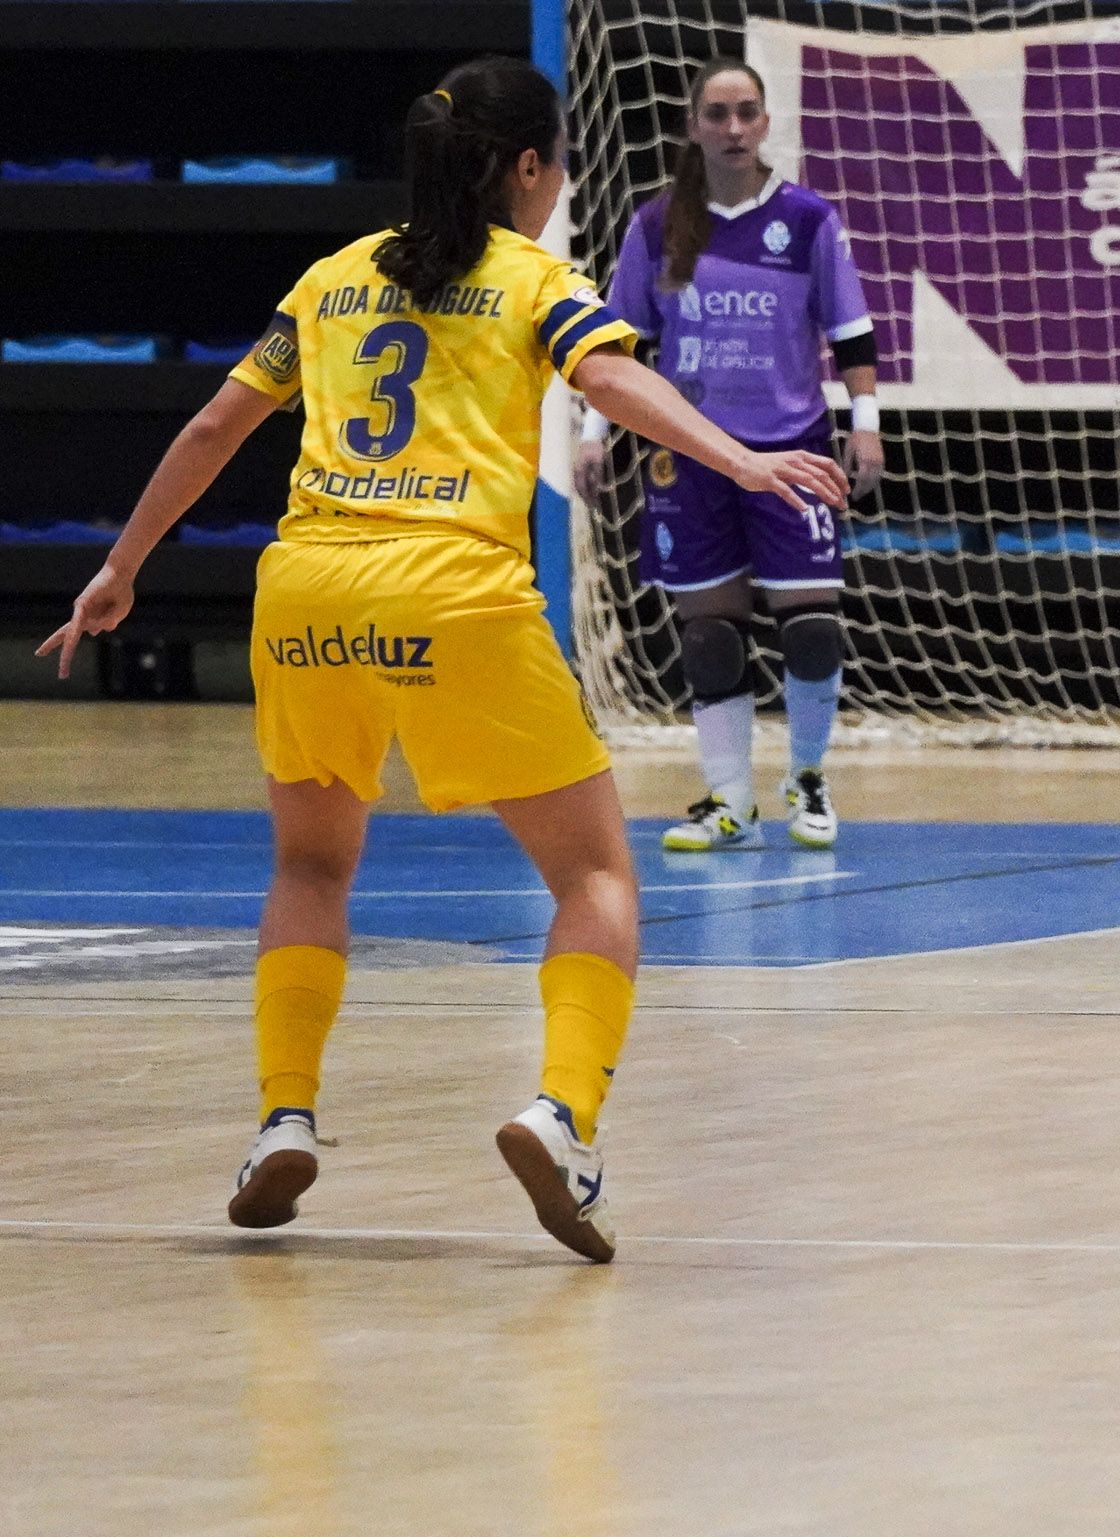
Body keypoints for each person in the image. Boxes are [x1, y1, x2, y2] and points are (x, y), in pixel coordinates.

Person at [41, 58, 848, 1262]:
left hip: (308, 593)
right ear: (528, 169)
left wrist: (121, 566)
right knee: (595, 883)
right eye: (557, 160)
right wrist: (739, 459)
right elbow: (611, 374)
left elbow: (215, 425)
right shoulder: (531, 277)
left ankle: (282, 1117)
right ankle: (560, 1115)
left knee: (311, 865)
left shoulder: (334, 277)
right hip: (454, 596)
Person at [577, 57, 882, 853]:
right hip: (690, 454)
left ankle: (806, 779)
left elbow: (850, 331)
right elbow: (617, 343)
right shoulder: (656, 225)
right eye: (718, 114)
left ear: (766, 121)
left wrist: (867, 419)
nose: (734, 128)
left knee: (812, 625)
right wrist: (592, 432)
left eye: (747, 111)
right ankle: (730, 799)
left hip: (794, 448)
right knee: (710, 634)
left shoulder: (809, 220)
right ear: (694, 126)